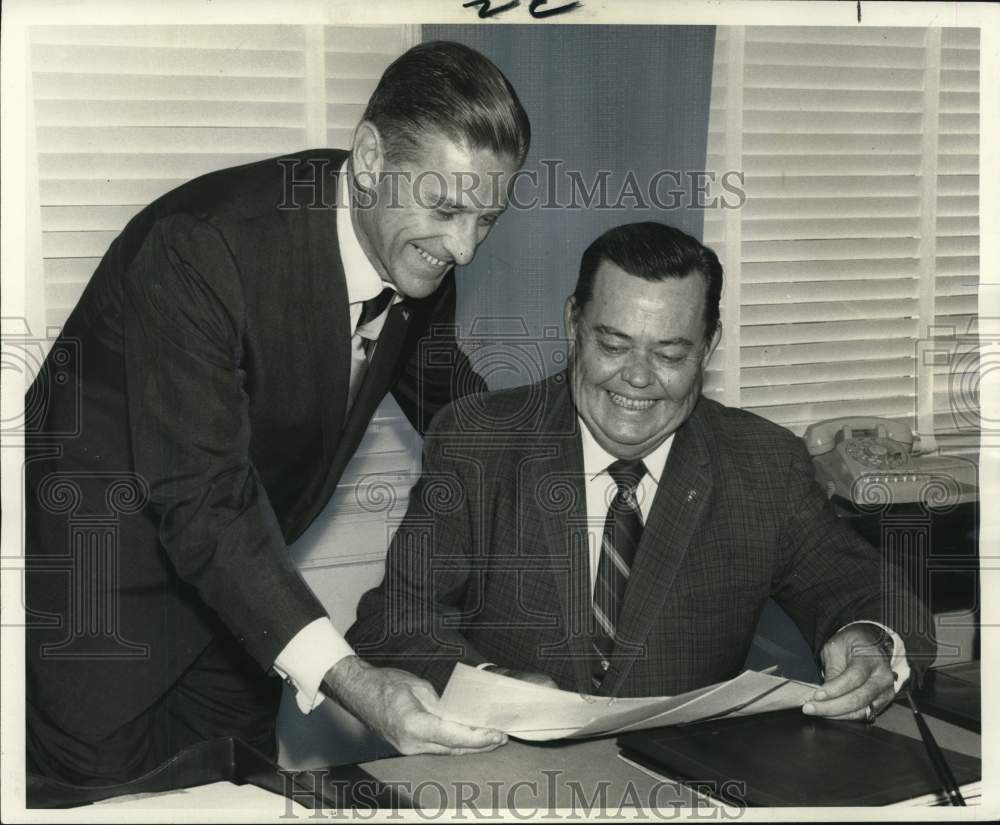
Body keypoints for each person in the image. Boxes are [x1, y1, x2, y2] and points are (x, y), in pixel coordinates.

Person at [24, 41, 530, 786]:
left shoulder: (416, 254)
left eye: (486, 219)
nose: (463, 246)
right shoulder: (204, 249)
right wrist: (358, 681)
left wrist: (585, 459)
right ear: (367, 157)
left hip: (242, 617)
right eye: (448, 208)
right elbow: (202, 499)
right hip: (104, 621)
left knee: (244, 800)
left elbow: (458, 411)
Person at [347, 221, 935, 721]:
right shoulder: (479, 442)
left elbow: (870, 592)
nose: (637, 377)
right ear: (574, 323)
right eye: (613, 344)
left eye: (671, 354)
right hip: (510, 775)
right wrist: (492, 683)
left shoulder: (763, 463)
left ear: (708, 348)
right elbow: (391, 624)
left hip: (693, 785)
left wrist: (870, 641)